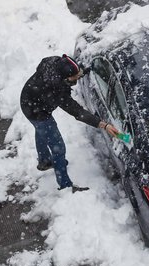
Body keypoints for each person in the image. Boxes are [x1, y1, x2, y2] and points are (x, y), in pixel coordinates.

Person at [20, 54, 119, 192]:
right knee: (58, 148)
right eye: (75, 78)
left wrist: (86, 70)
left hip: (30, 99)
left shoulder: (55, 65)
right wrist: (103, 124)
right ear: (65, 79)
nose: (78, 79)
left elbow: (73, 70)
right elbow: (77, 112)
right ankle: (65, 185)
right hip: (36, 111)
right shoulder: (56, 91)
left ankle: (44, 161)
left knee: (41, 130)